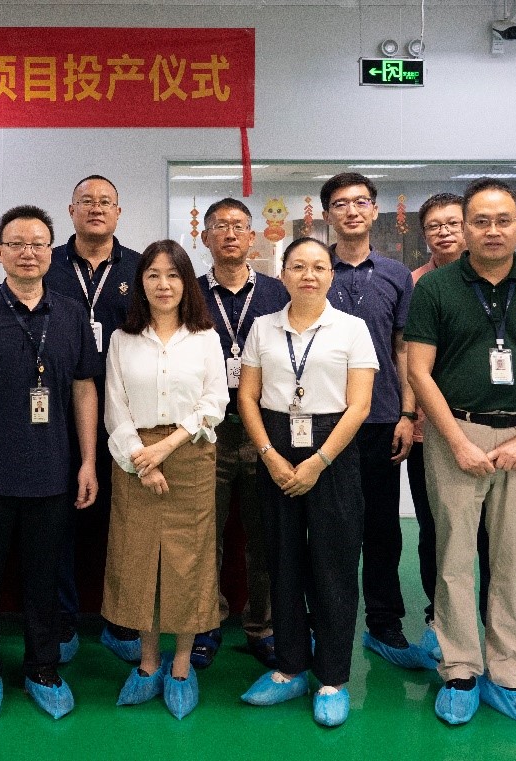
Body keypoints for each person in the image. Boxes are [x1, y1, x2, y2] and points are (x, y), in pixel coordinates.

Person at [407, 179, 516, 731]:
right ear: (466, 227)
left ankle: (510, 676)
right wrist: (455, 440)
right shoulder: (435, 288)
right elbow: (419, 371)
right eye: (481, 221)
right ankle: (459, 671)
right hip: (454, 433)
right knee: (453, 557)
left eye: (504, 220)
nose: (493, 230)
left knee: (513, 560)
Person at [0, 205, 101, 723]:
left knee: (44, 579)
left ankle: (42, 669)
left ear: (51, 251)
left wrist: (88, 462)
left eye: (38, 244)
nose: (28, 253)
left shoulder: (71, 313)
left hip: (53, 473)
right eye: (17, 244)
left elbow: (84, 390)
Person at [237, 237, 378, 728]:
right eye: (298, 266)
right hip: (275, 443)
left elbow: (360, 404)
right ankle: (290, 666)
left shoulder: (352, 329)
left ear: (330, 275)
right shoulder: (263, 327)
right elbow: (248, 397)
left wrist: (319, 461)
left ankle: (332, 677)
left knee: (333, 564)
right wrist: (269, 456)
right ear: (283, 274)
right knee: (282, 560)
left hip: (333, 448)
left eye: (319, 266)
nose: (309, 275)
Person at [103, 240, 227, 719]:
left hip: (189, 454)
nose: (163, 284)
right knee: (140, 560)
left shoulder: (205, 337)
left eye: (173, 275)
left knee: (187, 562)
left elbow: (214, 403)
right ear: (140, 283)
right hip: (133, 456)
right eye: (152, 274)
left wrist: (166, 448)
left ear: (186, 282)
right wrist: (141, 458)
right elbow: (115, 406)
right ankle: (148, 662)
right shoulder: (123, 339)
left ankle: (180, 665)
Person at [319, 172, 430, 670]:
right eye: (341, 203)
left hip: (382, 418)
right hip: (321, 420)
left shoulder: (396, 275)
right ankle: (324, 623)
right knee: (326, 528)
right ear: (328, 214)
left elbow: (403, 349)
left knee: (382, 528)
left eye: (361, 202)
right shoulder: (312, 269)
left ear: (374, 210)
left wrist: (407, 412)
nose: (352, 211)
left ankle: (383, 622)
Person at [42, 174, 142, 663]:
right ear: (71, 210)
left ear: (118, 212)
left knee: (122, 522)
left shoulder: (141, 268)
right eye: (86, 201)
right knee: (57, 519)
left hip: (128, 415)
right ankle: (62, 620)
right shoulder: (47, 264)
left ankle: (120, 620)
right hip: (56, 412)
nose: (96, 208)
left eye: (106, 201)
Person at [192, 198, 289, 670]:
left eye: (238, 226)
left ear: (252, 237)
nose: (229, 234)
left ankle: (261, 626)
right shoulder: (189, 293)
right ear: (205, 237)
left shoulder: (278, 292)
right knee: (203, 533)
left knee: (263, 534)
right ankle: (205, 623)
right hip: (204, 431)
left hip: (263, 429)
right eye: (219, 226)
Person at [407, 194, 490, 662]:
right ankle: (437, 621)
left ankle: (488, 625)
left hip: (490, 429)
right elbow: (408, 359)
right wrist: (408, 416)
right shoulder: (416, 284)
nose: (444, 232)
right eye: (434, 226)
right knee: (435, 531)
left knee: (489, 538)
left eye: (452, 223)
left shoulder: (495, 285)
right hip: (429, 432)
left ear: (468, 228)